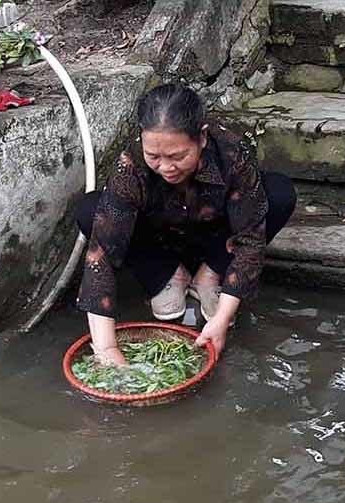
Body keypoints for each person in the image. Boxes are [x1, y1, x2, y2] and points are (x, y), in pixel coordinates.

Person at [75, 84, 297, 366]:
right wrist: (107, 350)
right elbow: (101, 256)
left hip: (215, 239)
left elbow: (250, 239)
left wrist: (221, 318)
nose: (166, 167)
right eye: (154, 156)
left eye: (177, 157)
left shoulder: (230, 152)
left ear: (201, 137)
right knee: (91, 210)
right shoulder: (130, 165)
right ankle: (166, 276)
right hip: (160, 242)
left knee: (278, 193)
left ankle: (210, 275)